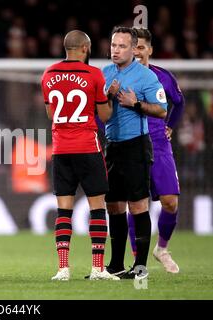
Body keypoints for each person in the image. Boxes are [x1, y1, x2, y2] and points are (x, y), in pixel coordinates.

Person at [41, 30, 119, 281]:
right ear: (85, 48)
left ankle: (63, 269)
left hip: (61, 149)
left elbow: (51, 115)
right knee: (97, 208)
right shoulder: (94, 74)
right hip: (87, 147)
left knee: (64, 210)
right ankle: (98, 268)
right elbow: (105, 116)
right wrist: (110, 97)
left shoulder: (48, 74)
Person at [102, 27, 168, 280]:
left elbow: (161, 110)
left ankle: (140, 268)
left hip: (136, 146)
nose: (115, 50)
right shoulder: (104, 74)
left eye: (121, 46)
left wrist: (136, 104)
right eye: (113, 45)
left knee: (138, 205)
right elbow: (100, 111)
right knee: (114, 206)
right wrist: (107, 97)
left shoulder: (146, 77)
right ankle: (116, 265)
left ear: (132, 49)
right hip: (112, 145)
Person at [127, 28, 184, 273]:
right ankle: (138, 263)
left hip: (159, 145)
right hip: (130, 145)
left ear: (149, 50)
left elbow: (179, 103)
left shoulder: (163, 77)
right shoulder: (120, 77)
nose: (137, 52)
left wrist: (170, 125)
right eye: (133, 47)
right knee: (136, 204)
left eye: (141, 47)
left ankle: (161, 249)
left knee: (170, 203)